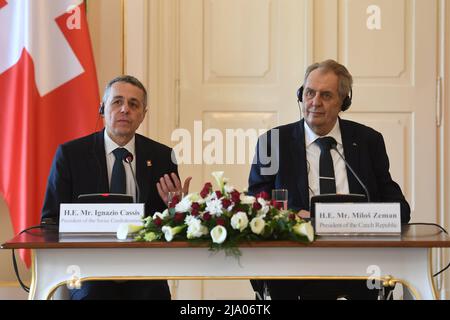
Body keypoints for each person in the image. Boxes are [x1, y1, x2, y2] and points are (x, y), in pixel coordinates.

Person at [248, 59, 411, 300]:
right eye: (309, 93)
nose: (315, 102)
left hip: (357, 261)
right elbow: (254, 206)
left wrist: (361, 217)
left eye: (326, 95)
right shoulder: (273, 142)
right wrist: (293, 217)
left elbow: (400, 209)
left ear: (343, 101)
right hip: (293, 261)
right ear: (300, 95)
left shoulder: (368, 141)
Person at [41, 75, 191, 300]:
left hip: (144, 271)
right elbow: (51, 221)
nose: (125, 109)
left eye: (133, 104)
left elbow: (169, 228)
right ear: (102, 108)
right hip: (90, 269)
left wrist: (177, 210)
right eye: (117, 102)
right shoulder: (71, 155)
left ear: (142, 115)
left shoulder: (161, 157)